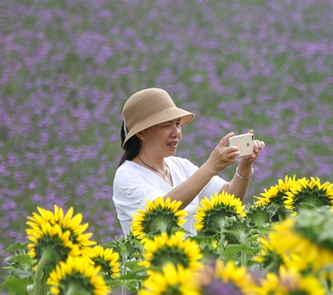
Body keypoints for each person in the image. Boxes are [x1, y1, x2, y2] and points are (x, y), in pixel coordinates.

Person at [112, 88, 266, 235]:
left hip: (189, 261)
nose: (176, 133)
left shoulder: (179, 165)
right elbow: (159, 214)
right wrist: (211, 166)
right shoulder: (127, 177)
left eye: (178, 124)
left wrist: (245, 166)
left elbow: (230, 197)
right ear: (141, 134)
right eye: (166, 126)